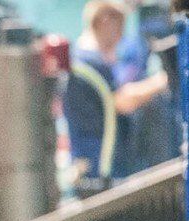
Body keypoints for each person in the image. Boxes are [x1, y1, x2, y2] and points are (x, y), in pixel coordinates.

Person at [62, 0, 169, 181]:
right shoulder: (90, 64)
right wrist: (161, 81)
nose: (121, 36)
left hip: (92, 164)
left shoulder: (80, 60)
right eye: (120, 27)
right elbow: (121, 101)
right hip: (101, 168)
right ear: (105, 21)